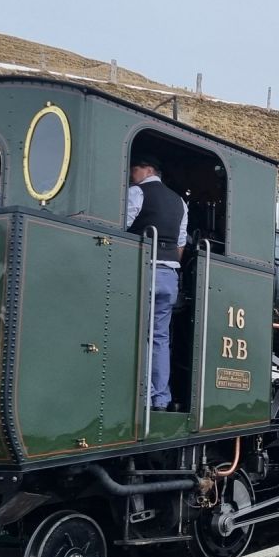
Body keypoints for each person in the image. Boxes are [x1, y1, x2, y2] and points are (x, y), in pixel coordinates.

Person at [127, 156, 188, 411]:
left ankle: (143, 393)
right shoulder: (180, 202)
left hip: (145, 269)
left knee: (137, 332)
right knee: (160, 337)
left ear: (148, 169)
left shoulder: (136, 192)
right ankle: (160, 397)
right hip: (169, 274)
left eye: (135, 169)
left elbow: (122, 226)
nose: (131, 173)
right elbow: (181, 243)